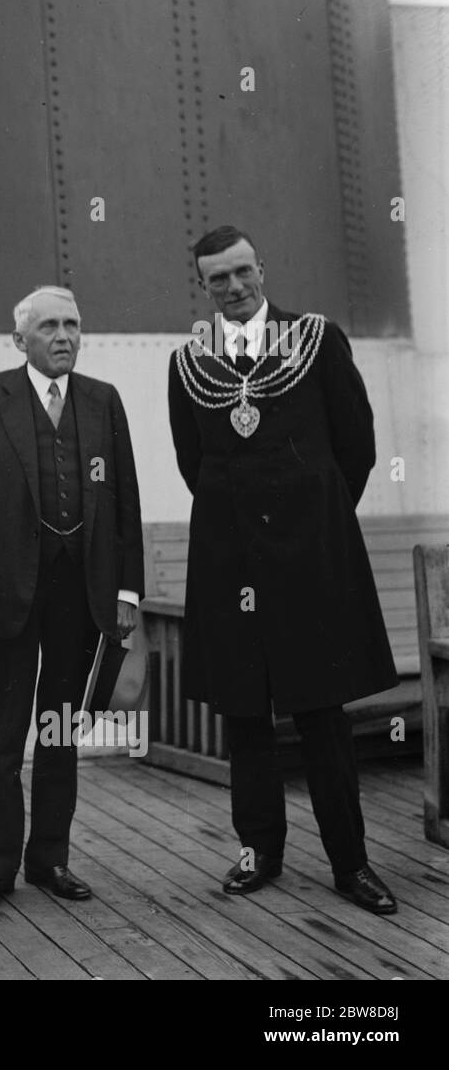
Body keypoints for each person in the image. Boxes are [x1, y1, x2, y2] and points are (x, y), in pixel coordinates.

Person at [168, 225, 399, 915]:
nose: (234, 288)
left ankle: (351, 863)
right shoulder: (189, 362)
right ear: (203, 286)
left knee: (322, 713)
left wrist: (311, 525)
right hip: (229, 561)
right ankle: (257, 853)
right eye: (218, 279)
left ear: (262, 268)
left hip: (310, 560)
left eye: (243, 272)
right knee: (245, 713)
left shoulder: (317, 341)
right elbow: (194, 464)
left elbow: (354, 447)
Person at [0, 286, 143, 914]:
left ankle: (50, 860)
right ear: (19, 338)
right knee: (2, 737)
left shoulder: (103, 401)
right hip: (7, 593)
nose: (64, 336)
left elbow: (126, 501)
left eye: (72, 324)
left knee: (59, 731)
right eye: (49, 326)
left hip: (81, 595)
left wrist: (126, 590)